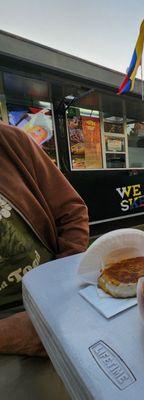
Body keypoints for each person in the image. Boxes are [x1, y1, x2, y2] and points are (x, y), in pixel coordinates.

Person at [0, 121, 89, 356]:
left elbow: (72, 211)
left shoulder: (9, 140)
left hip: (56, 296)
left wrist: (63, 284)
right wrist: (7, 335)